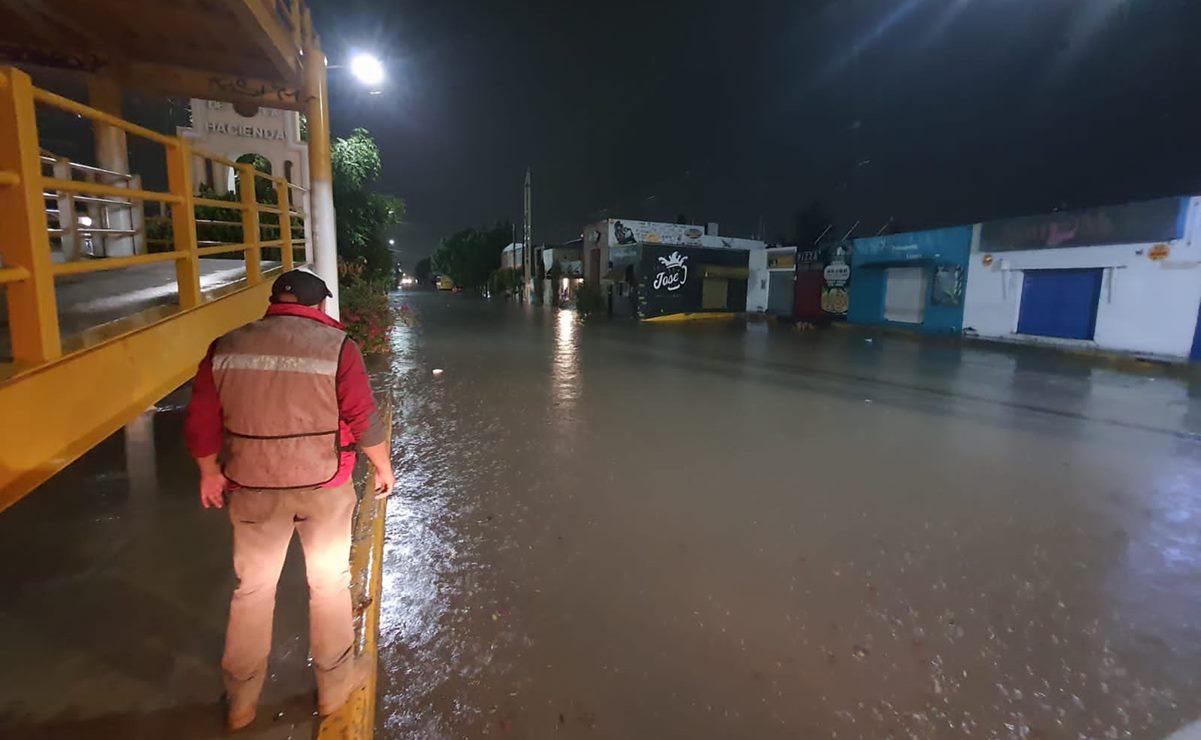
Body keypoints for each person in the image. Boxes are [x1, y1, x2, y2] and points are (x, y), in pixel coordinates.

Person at [184, 269, 396, 731]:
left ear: (273, 302)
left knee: (253, 591)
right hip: (324, 486)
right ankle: (334, 686)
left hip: (251, 486)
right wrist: (383, 466)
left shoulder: (227, 346)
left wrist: (208, 472)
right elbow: (362, 416)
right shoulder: (339, 348)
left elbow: (201, 418)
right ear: (319, 306)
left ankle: (241, 700)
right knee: (328, 585)